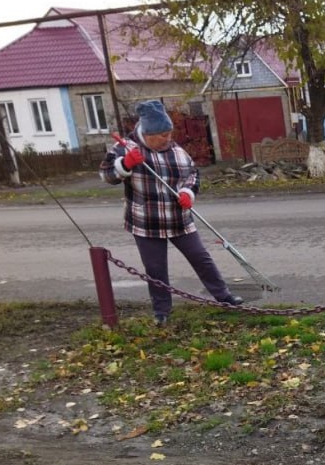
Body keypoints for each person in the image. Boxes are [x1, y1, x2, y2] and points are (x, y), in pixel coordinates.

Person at [99, 99, 243, 326]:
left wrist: (188, 192)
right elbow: (107, 176)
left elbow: (193, 174)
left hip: (178, 219)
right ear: (147, 133)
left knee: (201, 258)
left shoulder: (177, 151)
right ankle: (161, 311)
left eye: (169, 133)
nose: (168, 139)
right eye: (162, 135)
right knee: (155, 268)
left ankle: (223, 297)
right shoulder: (125, 147)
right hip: (146, 222)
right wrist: (125, 164)